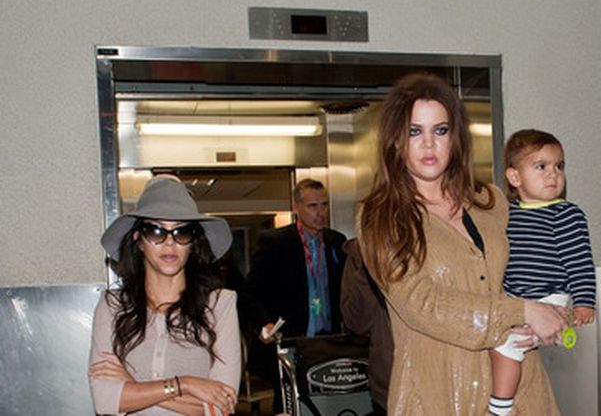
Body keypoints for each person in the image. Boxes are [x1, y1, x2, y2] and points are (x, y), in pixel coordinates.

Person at [357, 73, 567, 416]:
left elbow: (538, 262)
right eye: (415, 131)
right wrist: (521, 312)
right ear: (395, 141)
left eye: (440, 130)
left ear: (455, 137)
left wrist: (554, 313)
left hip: (519, 390)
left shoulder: (490, 201)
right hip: (436, 394)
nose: (429, 144)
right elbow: (422, 304)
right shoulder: (380, 217)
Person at [88, 177, 241, 416]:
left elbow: (223, 406)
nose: (170, 243)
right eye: (156, 230)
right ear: (138, 240)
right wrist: (184, 384)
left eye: (182, 232)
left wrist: (133, 386)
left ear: (193, 242)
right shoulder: (113, 306)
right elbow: (105, 399)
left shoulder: (220, 304)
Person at [488, 129, 597, 415]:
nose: (553, 174)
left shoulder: (566, 214)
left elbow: (580, 261)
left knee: (506, 347)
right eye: (541, 166)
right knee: (497, 338)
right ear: (515, 177)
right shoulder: (507, 215)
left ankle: (500, 406)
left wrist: (584, 302)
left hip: (549, 295)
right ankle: (558, 334)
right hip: (516, 297)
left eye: (559, 166)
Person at [239, 178, 347, 414]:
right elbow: (249, 293)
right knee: (290, 407)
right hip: (291, 344)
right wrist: (265, 323)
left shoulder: (336, 242)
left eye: (324, 205)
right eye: (313, 206)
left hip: (328, 343)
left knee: (328, 406)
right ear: (296, 207)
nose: (321, 213)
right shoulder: (275, 242)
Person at [340, 238, 393, 416]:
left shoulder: (435, 240)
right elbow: (356, 323)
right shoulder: (360, 251)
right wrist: (366, 270)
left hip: (438, 381)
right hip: (387, 386)